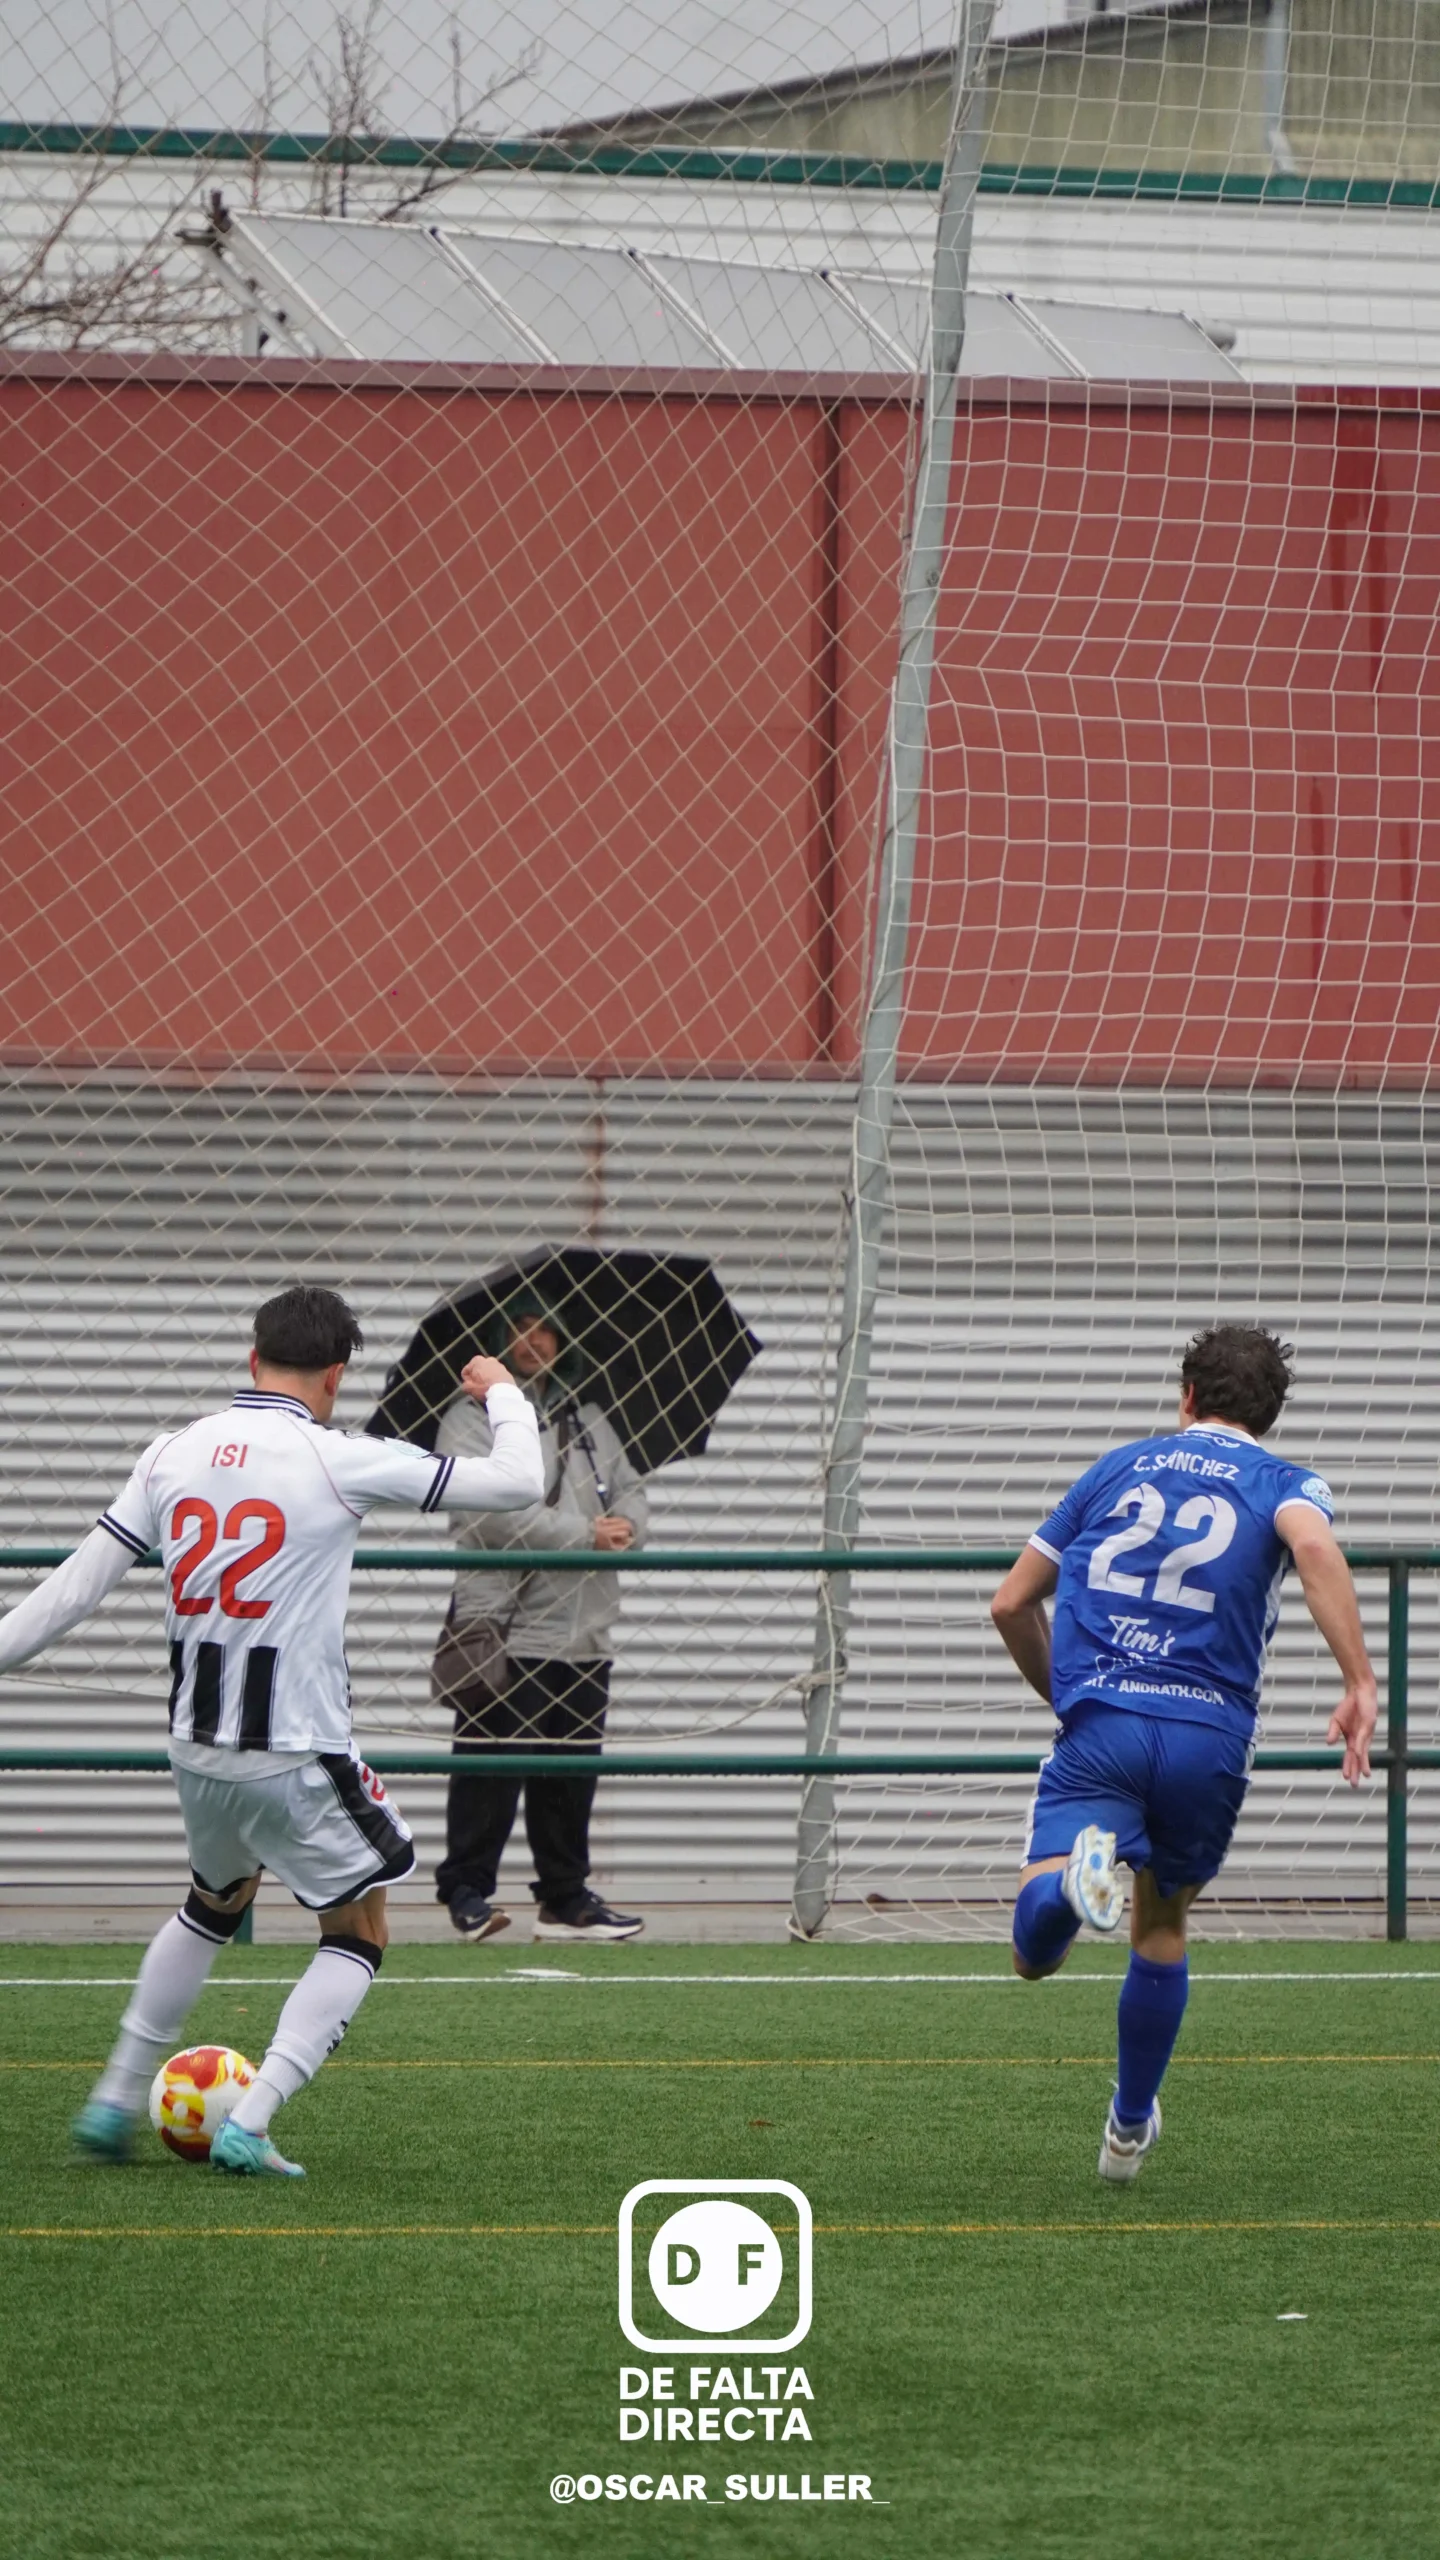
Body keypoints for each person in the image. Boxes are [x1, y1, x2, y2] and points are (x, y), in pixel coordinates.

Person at [0, 1283, 542, 2179]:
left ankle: (109, 2100)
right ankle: (250, 2120)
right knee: (362, 1927)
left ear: (253, 1360)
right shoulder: (340, 1457)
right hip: (293, 1746)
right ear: (334, 1377)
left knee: (215, 1902)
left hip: (196, 1745)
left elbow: (74, 1589)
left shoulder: (172, 1452)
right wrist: (503, 1394)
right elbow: (518, 1482)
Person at [990, 1321, 1376, 2184]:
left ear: (1188, 1396)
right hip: (1209, 1738)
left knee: (1031, 1955)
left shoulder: (1116, 1470)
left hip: (1106, 1724)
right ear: (1268, 1415)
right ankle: (1127, 2131)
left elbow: (1011, 1602)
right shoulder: (1284, 1482)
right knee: (1161, 1922)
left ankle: (1069, 1883)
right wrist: (1359, 1679)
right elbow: (1313, 1546)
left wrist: (1074, 1701)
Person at [432, 1297, 648, 1942]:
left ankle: (565, 1898)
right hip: (507, 1626)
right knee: (490, 1771)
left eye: (545, 1328)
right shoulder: (468, 1420)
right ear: (495, 1341)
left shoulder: (588, 1417)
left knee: (571, 1774)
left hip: (585, 1629)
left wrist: (628, 1527)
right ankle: (467, 1891)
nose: (534, 1340)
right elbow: (486, 1514)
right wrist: (587, 1534)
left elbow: (632, 1489)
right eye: (520, 1328)